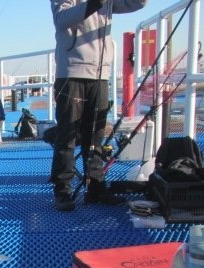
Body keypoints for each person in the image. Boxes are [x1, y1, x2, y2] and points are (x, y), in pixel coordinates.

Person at [50, 0, 146, 212]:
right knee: (67, 135)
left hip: (101, 74)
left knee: (96, 135)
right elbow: (61, 19)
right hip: (72, 73)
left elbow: (135, 4)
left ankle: (95, 187)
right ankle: (62, 189)